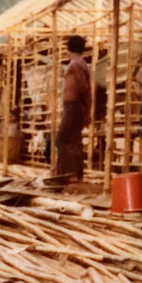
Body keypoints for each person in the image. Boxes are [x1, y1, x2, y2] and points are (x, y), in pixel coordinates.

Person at [54, 34, 92, 182]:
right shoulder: (79, 63)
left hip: (74, 106)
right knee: (74, 140)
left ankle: (66, 175)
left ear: (68, 49)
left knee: (61, 139)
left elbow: (84, 89)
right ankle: (75, 175)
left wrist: (86, 110)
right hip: (73, 106)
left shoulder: (76, 65)